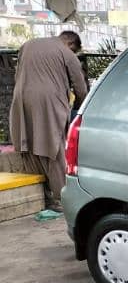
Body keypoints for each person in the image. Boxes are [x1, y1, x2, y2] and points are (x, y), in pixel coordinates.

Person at [9, 31, 87, 211]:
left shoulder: (28, 44)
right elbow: (81, 89)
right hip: (48, 102)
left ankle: (40, 198)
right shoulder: (67, 54)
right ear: (71, 44)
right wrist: (79, 108)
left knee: (28, 146)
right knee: (54, 149)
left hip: (21, 99)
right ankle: (61, 199)